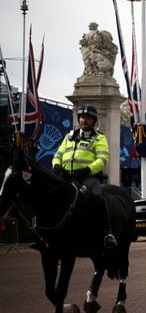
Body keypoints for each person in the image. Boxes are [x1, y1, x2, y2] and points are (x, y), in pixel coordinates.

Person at [52, 105, 117, 249]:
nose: (84, 120)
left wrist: (87, 170)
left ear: (94, 121)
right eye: (82, 117)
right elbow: (58, 155)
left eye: (88, 118)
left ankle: (108, 234)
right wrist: (56, 166)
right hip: (66, 177)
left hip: (87, 178)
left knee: (98, 198)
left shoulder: (99, 138)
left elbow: (102, 160)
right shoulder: (68, 137)